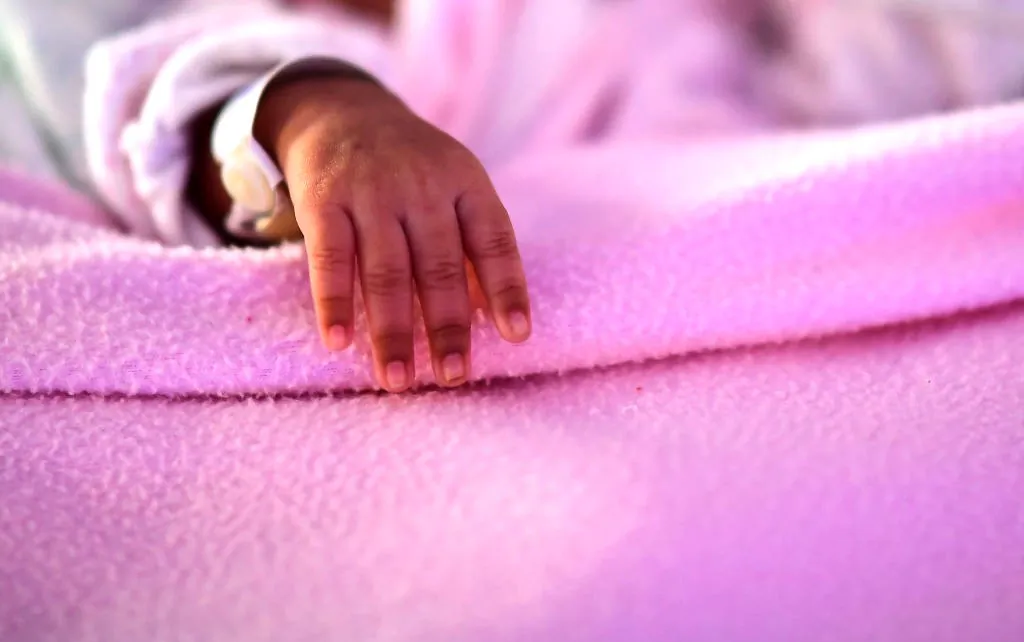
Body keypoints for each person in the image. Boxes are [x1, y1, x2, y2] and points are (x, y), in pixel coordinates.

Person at [65, 0, 1024, 391]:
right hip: (652, 204)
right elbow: (178, 108)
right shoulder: (371, 41)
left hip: (776, 133)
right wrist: (325, 115)